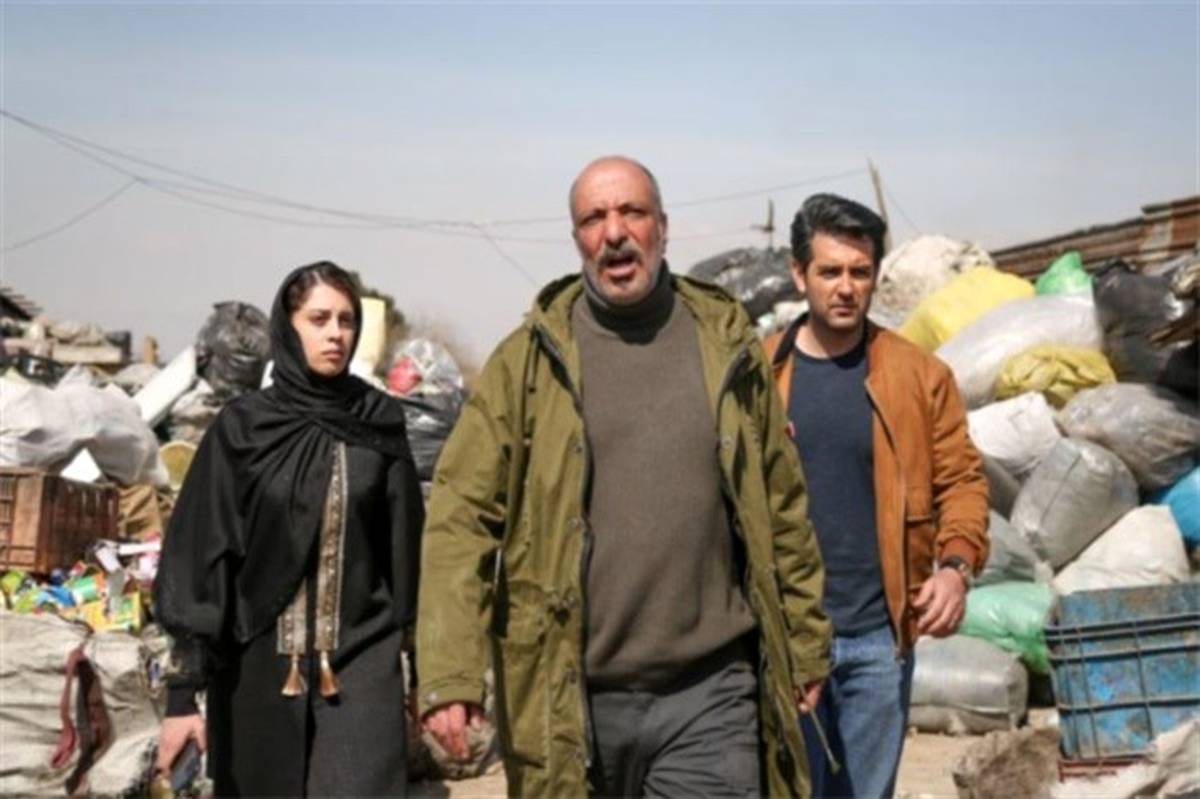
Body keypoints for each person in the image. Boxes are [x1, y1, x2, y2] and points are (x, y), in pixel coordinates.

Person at [417, 156, 831, 798]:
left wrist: (804, 642)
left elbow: (781, 503)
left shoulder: (725, 344)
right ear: (577, 238)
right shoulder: (526, 365)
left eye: (632, 212)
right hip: (570, 697)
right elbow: (460, 518)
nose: (614, 233)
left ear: (662, 226)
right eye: (594, 218)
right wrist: (450, 673)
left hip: (710, 694)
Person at [154, 261, 424, 796]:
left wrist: (425, 675)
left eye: (346, 320)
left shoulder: (377, 423)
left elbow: (408, 556)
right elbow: (199, 559)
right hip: (255, 670)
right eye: (318, 319)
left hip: (362, 667)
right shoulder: (244, 429)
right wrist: (182, 698)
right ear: (288, 326)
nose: (335, 333)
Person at [765, 194, 989, 798]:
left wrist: (955, 568)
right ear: (799, 274)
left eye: (859, 272)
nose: (845, 288)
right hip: (788, 638)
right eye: (830, 271)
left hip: (876, 638)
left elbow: (962, 481)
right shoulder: (761, 376)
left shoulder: (919, 376)